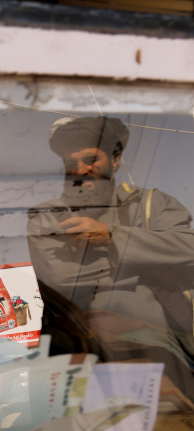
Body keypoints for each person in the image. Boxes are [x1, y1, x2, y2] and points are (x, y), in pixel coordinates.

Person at [28, 115, 194, 393]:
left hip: (162, 351)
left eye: (92, 159)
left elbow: (189, 252)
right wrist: (156, 263)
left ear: (115, 158)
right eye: (71, 163)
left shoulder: (153, 203)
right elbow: (63, 280)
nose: (81, 170)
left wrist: (112, 237)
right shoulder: (46, 217)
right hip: (84, 354)